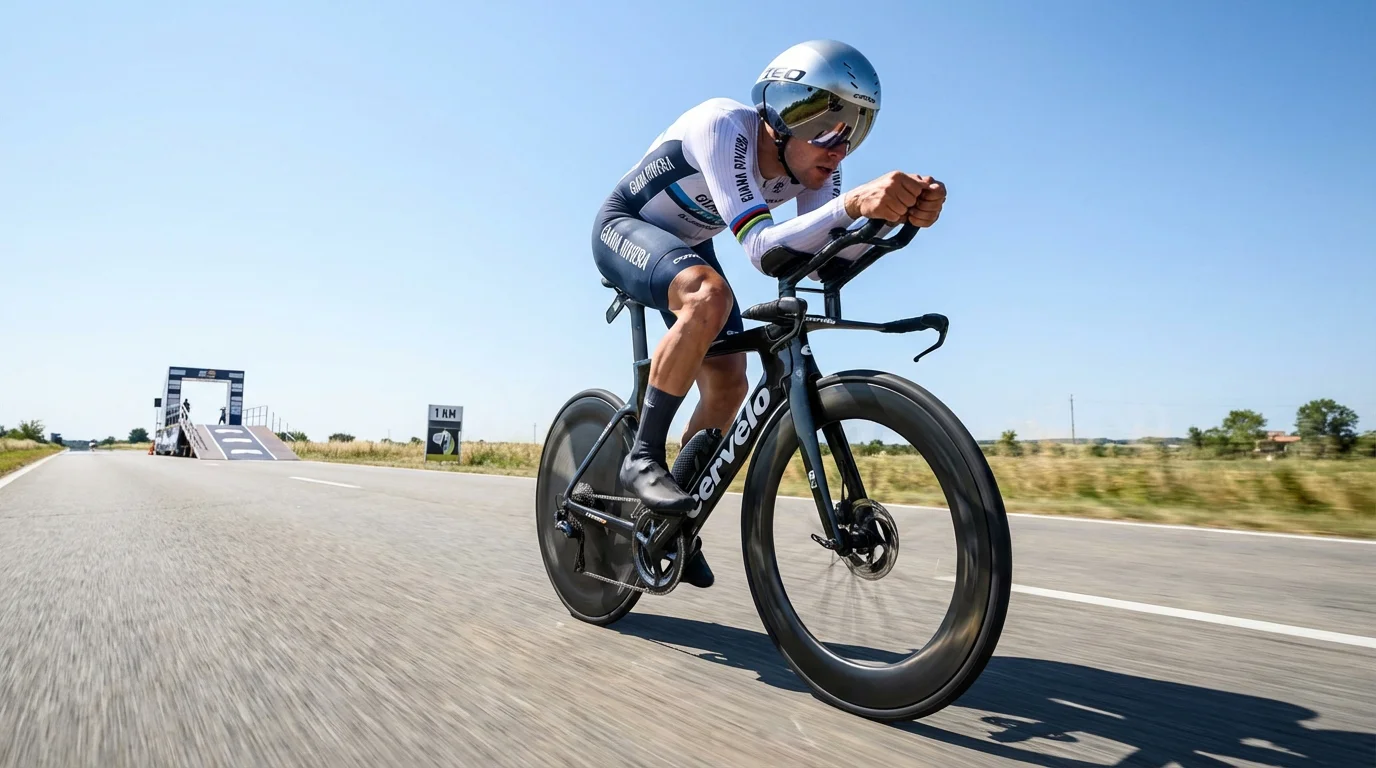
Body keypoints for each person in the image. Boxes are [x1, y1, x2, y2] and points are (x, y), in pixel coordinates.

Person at [591, 40, 946, 587]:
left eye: (856, 130)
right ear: (783, 113)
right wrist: (852, 206)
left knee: (729, 383)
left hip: (690, 242)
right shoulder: (724, 128)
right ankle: (641, 457)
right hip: (626, 226)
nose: (840, 147)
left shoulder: (816, 168)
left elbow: (825, 261)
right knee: (709, 297)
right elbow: (762, 249)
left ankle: (669, 521)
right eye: (828, 125)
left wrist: (895, 220)